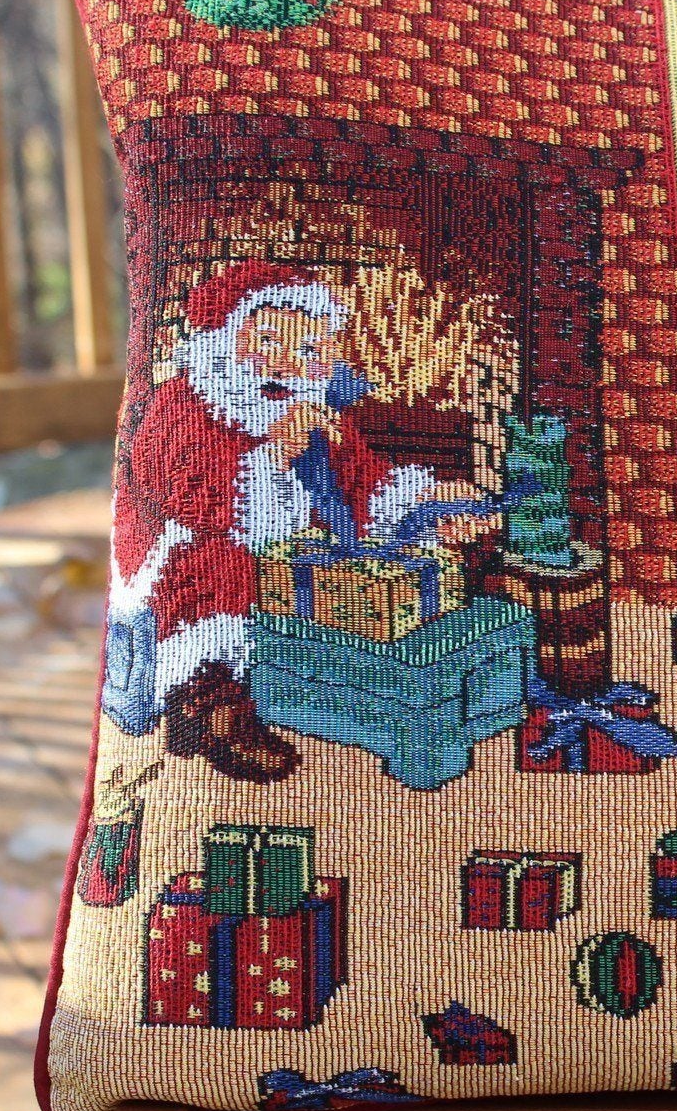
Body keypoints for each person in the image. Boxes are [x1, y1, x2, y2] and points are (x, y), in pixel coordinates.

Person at [106, 260, 486, 781]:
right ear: (225, 339)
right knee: (219, 564)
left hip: (281, 548)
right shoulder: (183, 404)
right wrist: (278, 452)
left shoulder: (316, 414)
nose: (285, 365)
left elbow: (365, 481)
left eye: (307, 351)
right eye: (267, 341)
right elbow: (196, 499)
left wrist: (430, 504)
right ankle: (207, 701)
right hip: (176, 549)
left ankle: (338, 690)